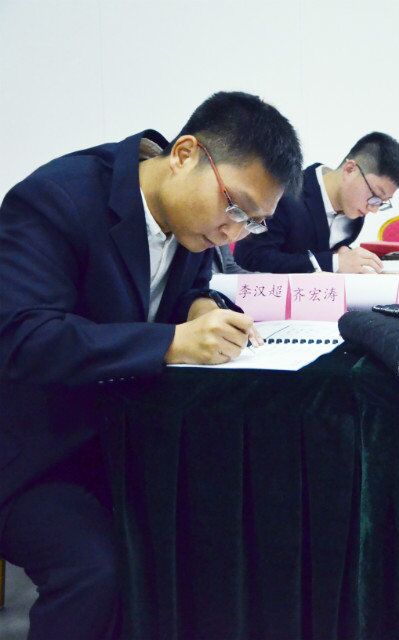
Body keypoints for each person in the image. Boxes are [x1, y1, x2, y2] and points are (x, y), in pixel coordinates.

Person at [0, 91, 303, 639]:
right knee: (96, 571)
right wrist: (170, 342)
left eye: (253, 223)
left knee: (228, 528)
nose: (233, 232)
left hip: (125, 439)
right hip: (36, 451)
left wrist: (202, 304)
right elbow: (24, 337)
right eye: (235, 207)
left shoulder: (192, 221)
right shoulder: (56, 199)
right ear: (185, 154)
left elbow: (185, 289)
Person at [234, 132, 399, 274]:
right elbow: (250, 258)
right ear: (350, 170)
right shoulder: (285, 194)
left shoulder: (355, 212)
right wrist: (334, 262)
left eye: (381, 203)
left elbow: (325, 250)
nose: (373, 209)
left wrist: (344, 254)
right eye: (375, 195)